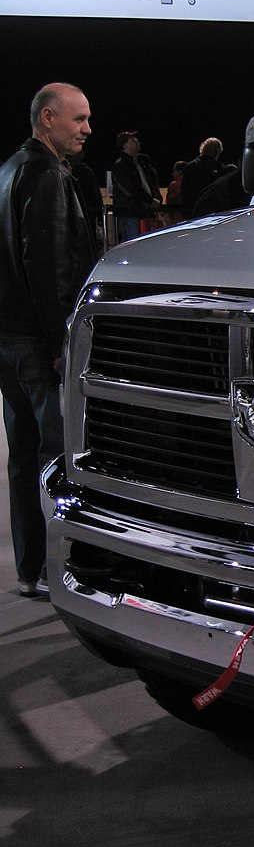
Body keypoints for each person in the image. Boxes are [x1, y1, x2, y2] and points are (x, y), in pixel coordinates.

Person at [0, 83, 98, 597]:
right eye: (78, 119)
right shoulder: (46, 175)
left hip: (9, 337)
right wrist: (63, 339)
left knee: (23, 452)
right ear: (47, 119)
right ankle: (61, 568)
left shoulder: (9, 170)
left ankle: (31, 566)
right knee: (58, 455)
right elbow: (48, 265)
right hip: (37, 342)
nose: (87, 129)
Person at [110, 130, 161, 242]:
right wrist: (150, 200)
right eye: (133, 140)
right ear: (125, 145)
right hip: (130, 211)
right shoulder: (121, 165)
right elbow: (131, 189)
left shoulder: (138, 163)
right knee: (132, 241)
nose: (137, 141)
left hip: (141, 210)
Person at [180, 137, 226, 214]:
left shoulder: (190, 167)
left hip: (193, 209)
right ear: (218, 151)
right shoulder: (220, 168)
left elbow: (185, 192)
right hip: (214, 210)